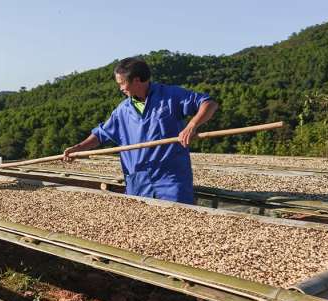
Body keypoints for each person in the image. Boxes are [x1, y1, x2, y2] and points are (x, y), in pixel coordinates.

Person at [62, 57, 218, 204]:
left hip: (170, 180)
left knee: (179, 219)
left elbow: (209, 104)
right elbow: (100, 135)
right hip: (138, 183)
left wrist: (192, 125)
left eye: (122, 83)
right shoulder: (122, 110)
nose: (121, 88)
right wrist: (79, 148)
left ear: (136, 80)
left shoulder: (170, 96)